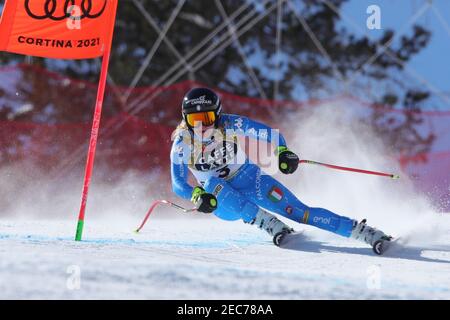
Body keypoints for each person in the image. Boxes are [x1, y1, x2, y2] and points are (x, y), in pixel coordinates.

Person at [170, 87, 392, 254]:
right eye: (194, 120)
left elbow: (270, 134)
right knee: (211, 185)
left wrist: (283, 152)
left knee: (299, 212)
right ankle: (265, 222)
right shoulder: (182, 143)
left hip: (250, 179)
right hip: (222, 200)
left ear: (217, 115)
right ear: (185, 119)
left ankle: (363, 232)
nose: (201, 126)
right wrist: (196, 195)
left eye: (206, 118)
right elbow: (178, 183)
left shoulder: (230, 124)